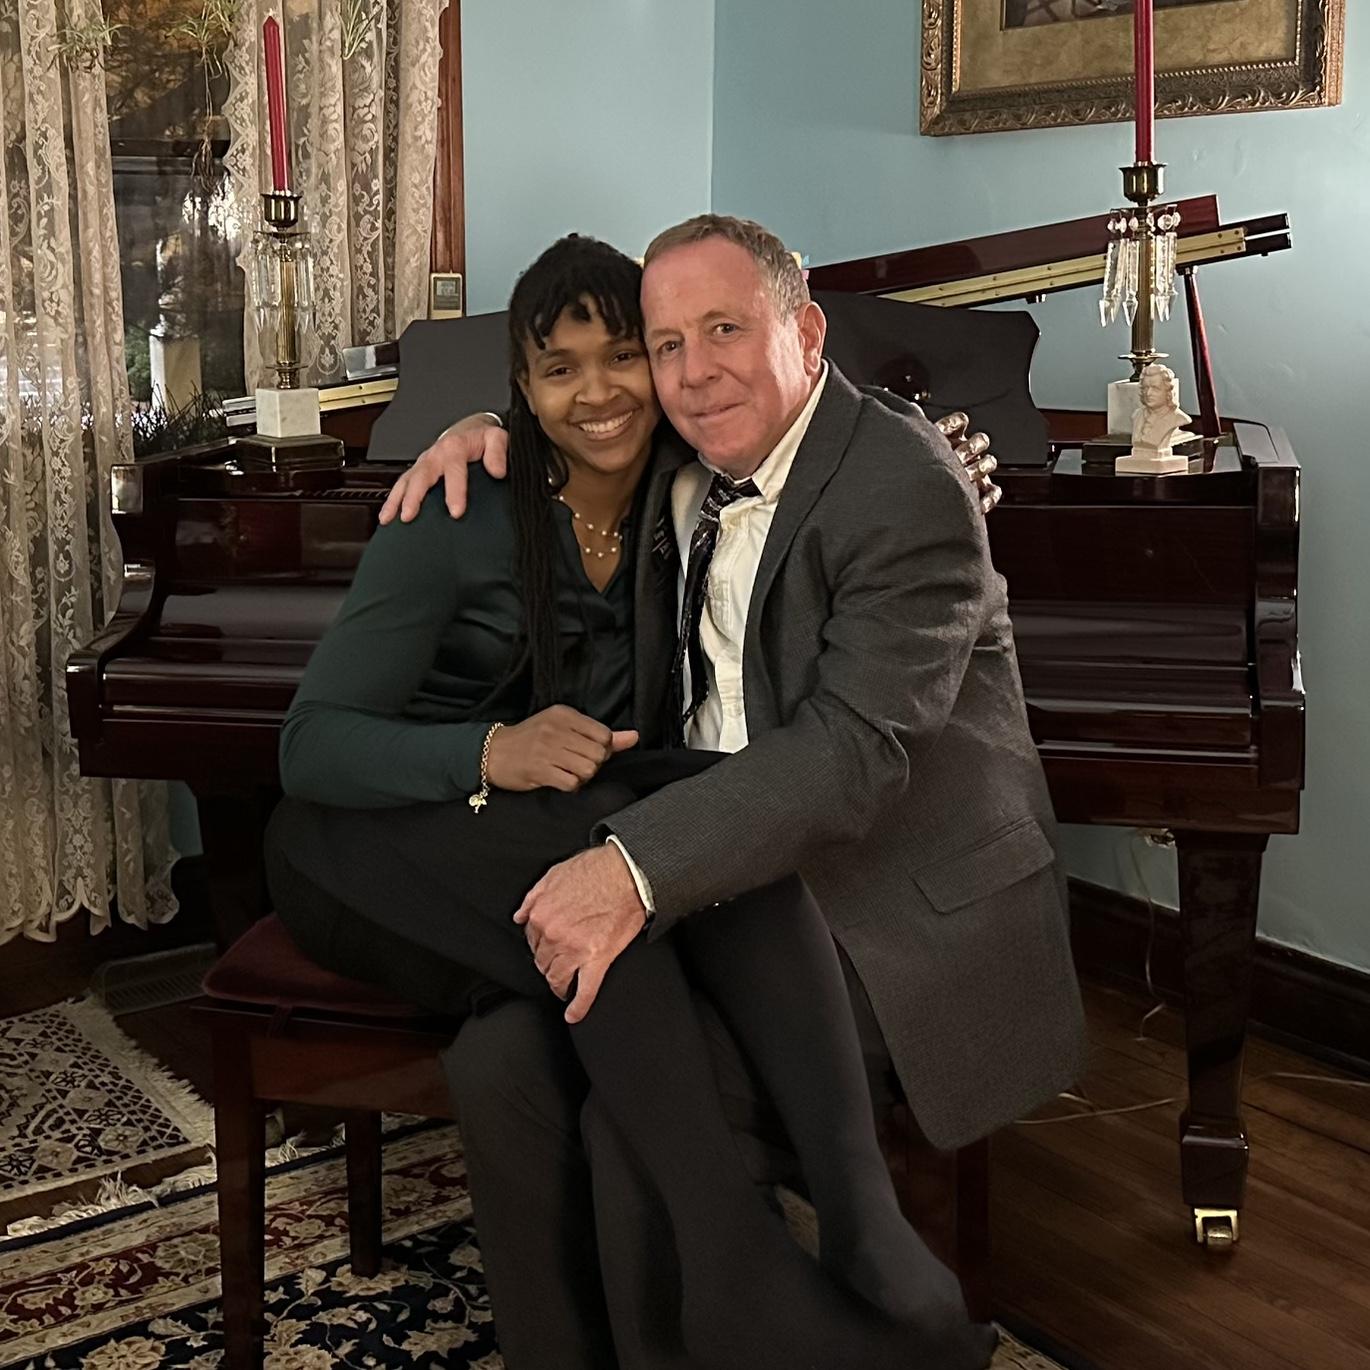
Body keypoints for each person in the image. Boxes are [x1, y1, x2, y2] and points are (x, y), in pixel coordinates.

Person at [266, 233, 994, 1370]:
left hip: (538, 843)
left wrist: (944, 455)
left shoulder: (681, 481)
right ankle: (743, 1264)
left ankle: (826, 1241)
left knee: (656, 856)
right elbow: (309, 746)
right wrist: (487, 749)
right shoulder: (460, 509)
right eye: (558, 368)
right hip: (364, 842)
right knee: (626, 870)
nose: (599, 389)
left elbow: (844, 460)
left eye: (625, 356)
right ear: (520, 380)